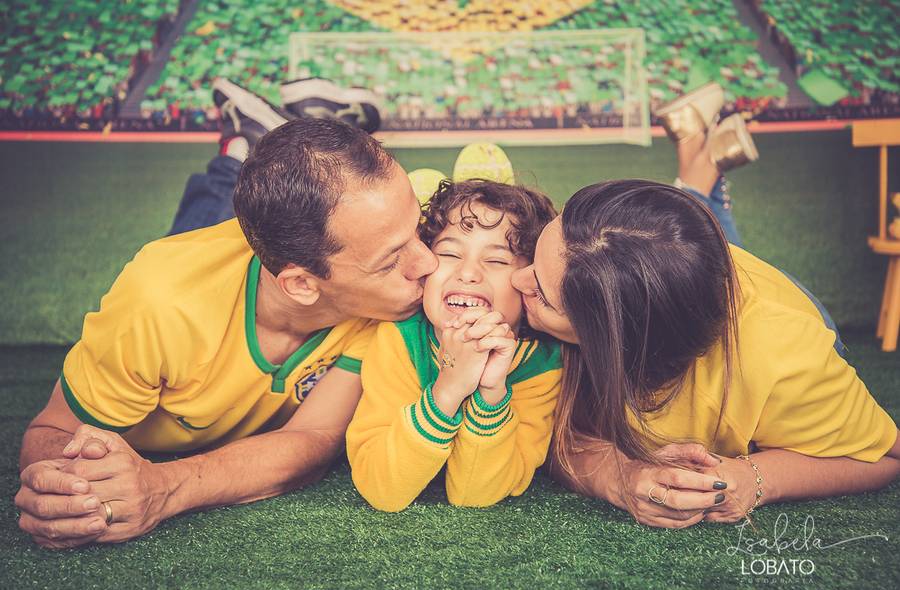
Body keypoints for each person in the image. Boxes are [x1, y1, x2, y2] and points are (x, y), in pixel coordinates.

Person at [15, 79, 437, 548]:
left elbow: (313, 437)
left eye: (418, 228)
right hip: (200, 277)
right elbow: (52, 431)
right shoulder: (161, 304)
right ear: (302, 284)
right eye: (391, 259)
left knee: (239, 223)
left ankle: (265, 135)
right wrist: (62, 487)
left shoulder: (388, 296)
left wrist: (164, 487)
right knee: (207, 216)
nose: (430, 263)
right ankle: (241, 145)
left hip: (256, 266)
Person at [509, 85, 900, 528]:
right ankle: (702, 153)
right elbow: (559, 439)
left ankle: (704, 154)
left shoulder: (783, 357)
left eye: (541, 293)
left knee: (684, 240)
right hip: (687, 267)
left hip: (769, 304)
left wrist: (757, 477)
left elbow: (886, 456)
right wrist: (619, 475)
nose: (514, 278)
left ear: (620, 340)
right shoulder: (588, 266)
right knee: (673, 233)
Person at [346, 180, 561, 511]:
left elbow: (474, 496)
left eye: (497, 261)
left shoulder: (542, 366)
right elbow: (382, 489)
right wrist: (447, 390)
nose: (468, 273)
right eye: (448, 253)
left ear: (529, 284)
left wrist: (491, 394)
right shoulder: (399, 341)